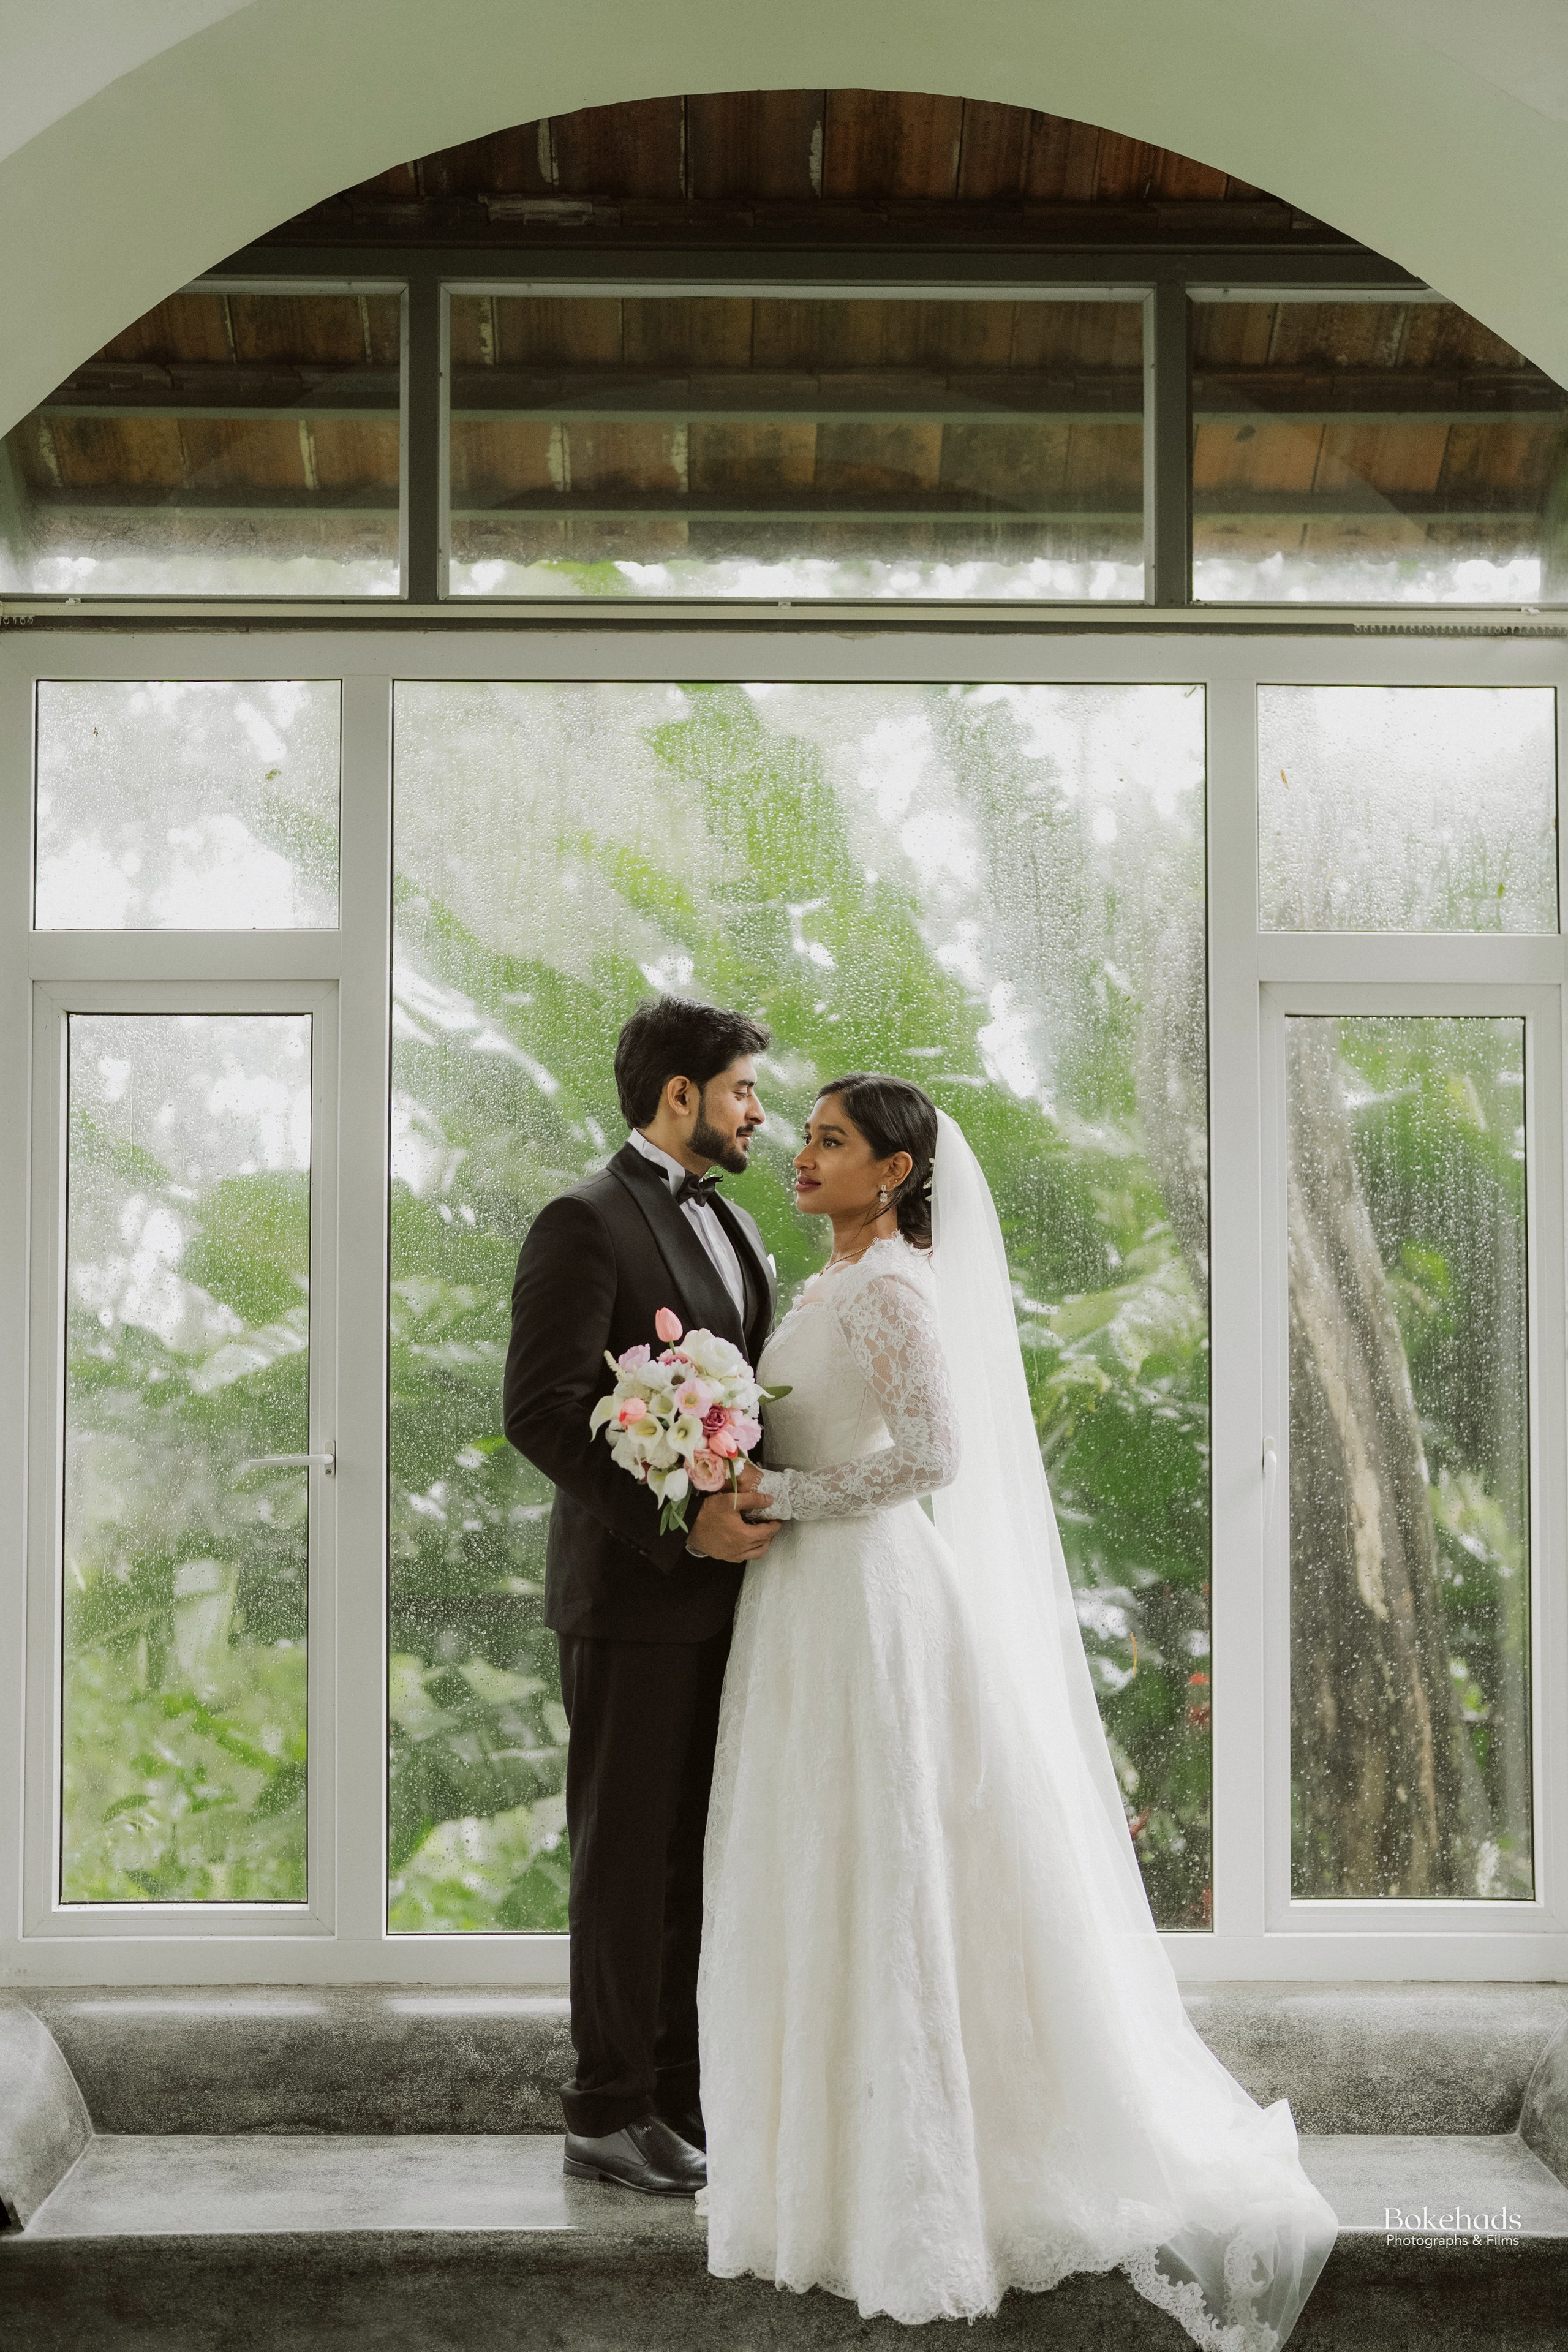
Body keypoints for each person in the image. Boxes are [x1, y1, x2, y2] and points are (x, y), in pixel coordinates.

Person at [699, 1074, 1340, 2346]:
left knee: (885, 1865)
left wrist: (787, 1499)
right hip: (804, 1601)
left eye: (831, 1141)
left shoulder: (890, 1287)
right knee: (818, 1857)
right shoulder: (827, 1282)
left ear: (893, 1172)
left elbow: (934, 1455)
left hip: (867, 1596)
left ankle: (911, 2184)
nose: (802, 1155)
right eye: (805, 1137)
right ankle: (821, 2172)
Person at [503, 997, 778, 2198]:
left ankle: (680, 2099)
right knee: (623, 1863)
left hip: (732, 1600)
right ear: (680, 1095)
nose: (758, 1113)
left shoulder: (738, 1225)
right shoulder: (584, 1220)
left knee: (692, 1861)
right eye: (742, 1090)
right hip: (628, 1597)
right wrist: (679, 1520)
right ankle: (606, 2111)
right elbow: (542, 1411)